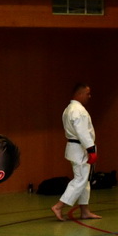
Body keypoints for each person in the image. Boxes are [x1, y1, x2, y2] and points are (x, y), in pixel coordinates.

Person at [51, 83, 101, 221]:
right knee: (80, 179)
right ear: (79, 94)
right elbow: (82, 132)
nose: (89, 96)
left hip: (77, 148)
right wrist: (91, 149)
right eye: (87, 94)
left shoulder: (69, 109)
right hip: (80, 148)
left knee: (84, 180)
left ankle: (85, 211)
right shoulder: (78, 110)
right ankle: (59, 206)